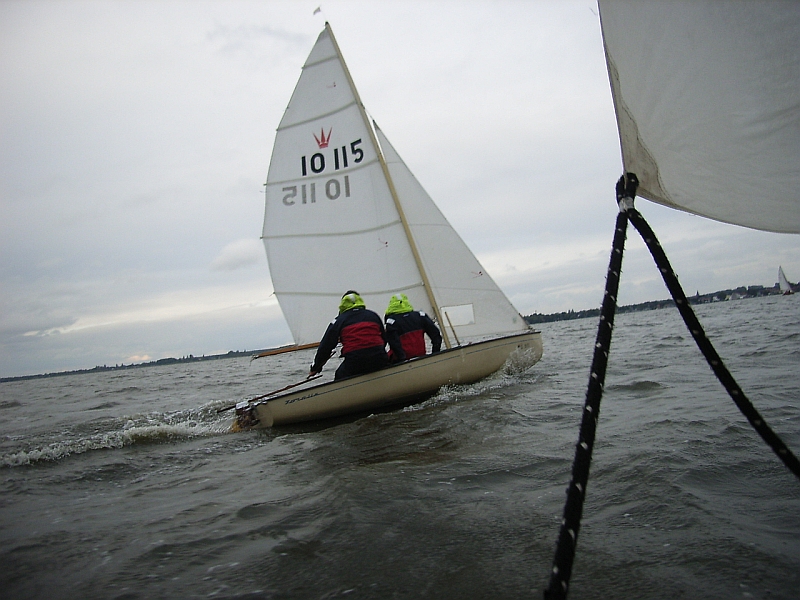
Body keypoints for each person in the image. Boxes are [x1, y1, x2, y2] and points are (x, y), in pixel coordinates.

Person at [309, 291, 400, 381]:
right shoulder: (373, 315)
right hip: (379, 358)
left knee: (339, 375)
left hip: (355, 361)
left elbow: (325, 346)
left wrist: (316, 367)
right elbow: (384, 339)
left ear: (343, 304)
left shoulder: (338, 320)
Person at [384, 293, 443, 362]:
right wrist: (435, 354)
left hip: (400, 360)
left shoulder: (391, 321)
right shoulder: (421, 316)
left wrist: (402, 359)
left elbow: (394, 343)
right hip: (421, 356)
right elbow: (436, 335)